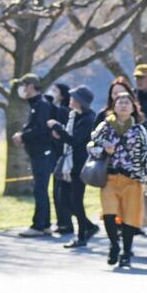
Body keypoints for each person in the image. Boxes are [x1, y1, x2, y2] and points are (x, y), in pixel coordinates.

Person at [87, 89, 147, 268]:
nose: (123, 105)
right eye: (119, 102)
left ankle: (126, 251)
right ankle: (114, 244)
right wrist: (103, 149)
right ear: (113, 106)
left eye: (127, 103)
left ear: (133, 108)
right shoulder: (105, 126)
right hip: (109, 177)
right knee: (109, 213)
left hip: (133, 179)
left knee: (130, 217)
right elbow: (91, 146)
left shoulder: (139, 129)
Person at [49, 85, 100, 248]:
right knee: (65, 200)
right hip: (68, 165)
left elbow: (74, 140)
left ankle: (82, 235)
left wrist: (56, 127)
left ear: (80, 102)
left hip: (79, 165)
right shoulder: (73, 115)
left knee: (76, 201)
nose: (70, 100)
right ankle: (90, 227)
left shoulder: (88, 118)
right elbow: (68, 138)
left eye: (73, 98)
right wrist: (60, 133)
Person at [11, 73, 57, 237]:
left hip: (43, 154)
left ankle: (39, 225)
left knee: (40, 190)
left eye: (23, 85)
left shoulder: (41, 105)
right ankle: (44, 224)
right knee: (41, 190)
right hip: (38, 153)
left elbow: (41, 129)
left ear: (30, 86)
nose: (21, 89)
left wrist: (23, 136)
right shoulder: (36, 105)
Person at [48, 82, 74, 235]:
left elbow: (62, 133)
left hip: (61, 155)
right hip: (62, 155)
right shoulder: (66, 110)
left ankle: (64, 223)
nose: (52, 93)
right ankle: (63, 222)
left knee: (60, 191)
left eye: (55, 90)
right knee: (61, 190)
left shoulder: (61, 111)